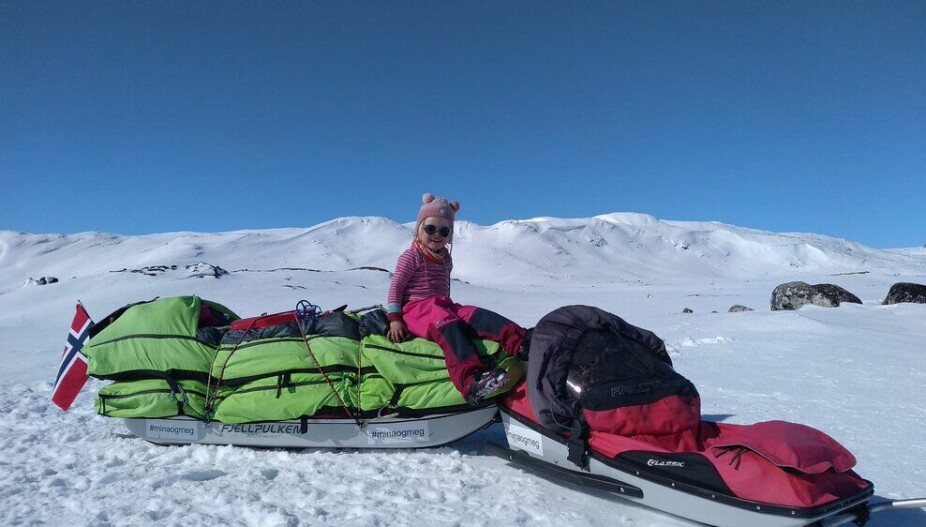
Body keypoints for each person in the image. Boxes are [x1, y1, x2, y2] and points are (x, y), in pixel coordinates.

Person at [386, 193, 528, 405]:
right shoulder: (411, 256)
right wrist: (395, 318)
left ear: (450, 235)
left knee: (476, 314)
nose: (437, 234)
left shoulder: (445, 259)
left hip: (443, 304)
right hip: (417, 309)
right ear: (418, 230)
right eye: (430, 228)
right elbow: (395, 287)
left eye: (444, 230)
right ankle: (470, 380)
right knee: (449, 326)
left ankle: (522, 342)